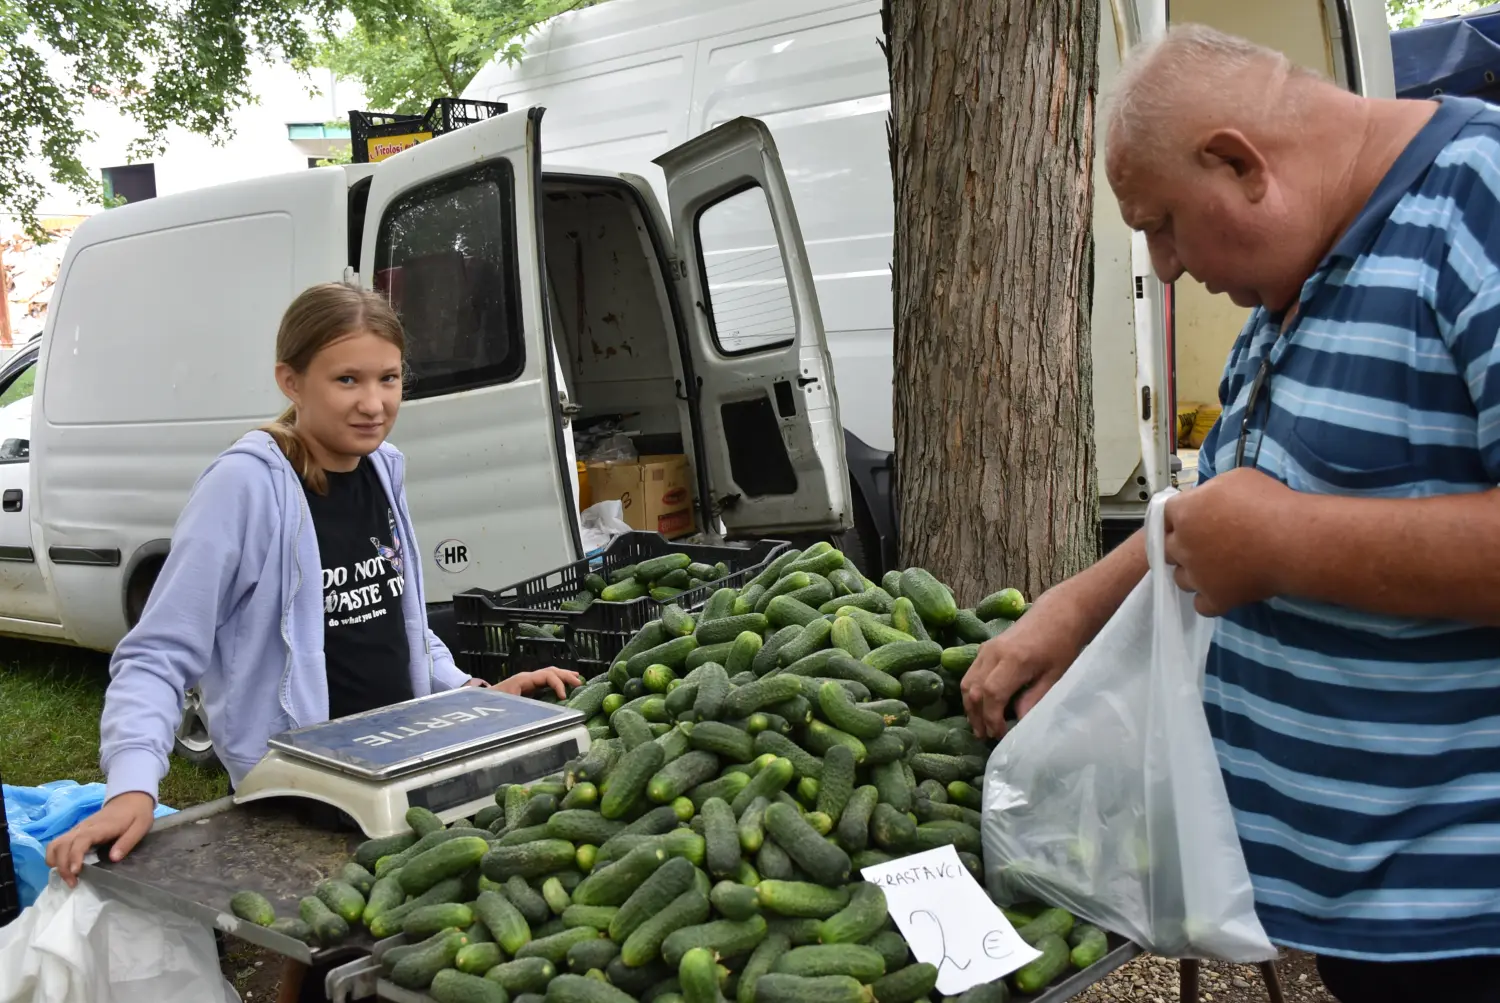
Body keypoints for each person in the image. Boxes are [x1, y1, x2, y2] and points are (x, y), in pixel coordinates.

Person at [962, 25, 1500, 1003]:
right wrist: (1078, 606)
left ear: (1239, 163)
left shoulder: (1481, 201)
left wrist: (1292, 546)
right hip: (1366, 928)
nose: (1164, 268)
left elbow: (1268, 531)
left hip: (1468, 929)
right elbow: (1216, 512)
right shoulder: (1292, 290)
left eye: (1163, 222)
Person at [46, 283, 579, 885]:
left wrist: (472, 695)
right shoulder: (245, 487)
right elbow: (159, 653)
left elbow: (395, 615)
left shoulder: (384, 467)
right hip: (297, 792)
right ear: (291, 381)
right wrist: (131, 786)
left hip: (396, 773)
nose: (374, 403)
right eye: (347, 380)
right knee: (314, 945)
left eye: (390, 379)